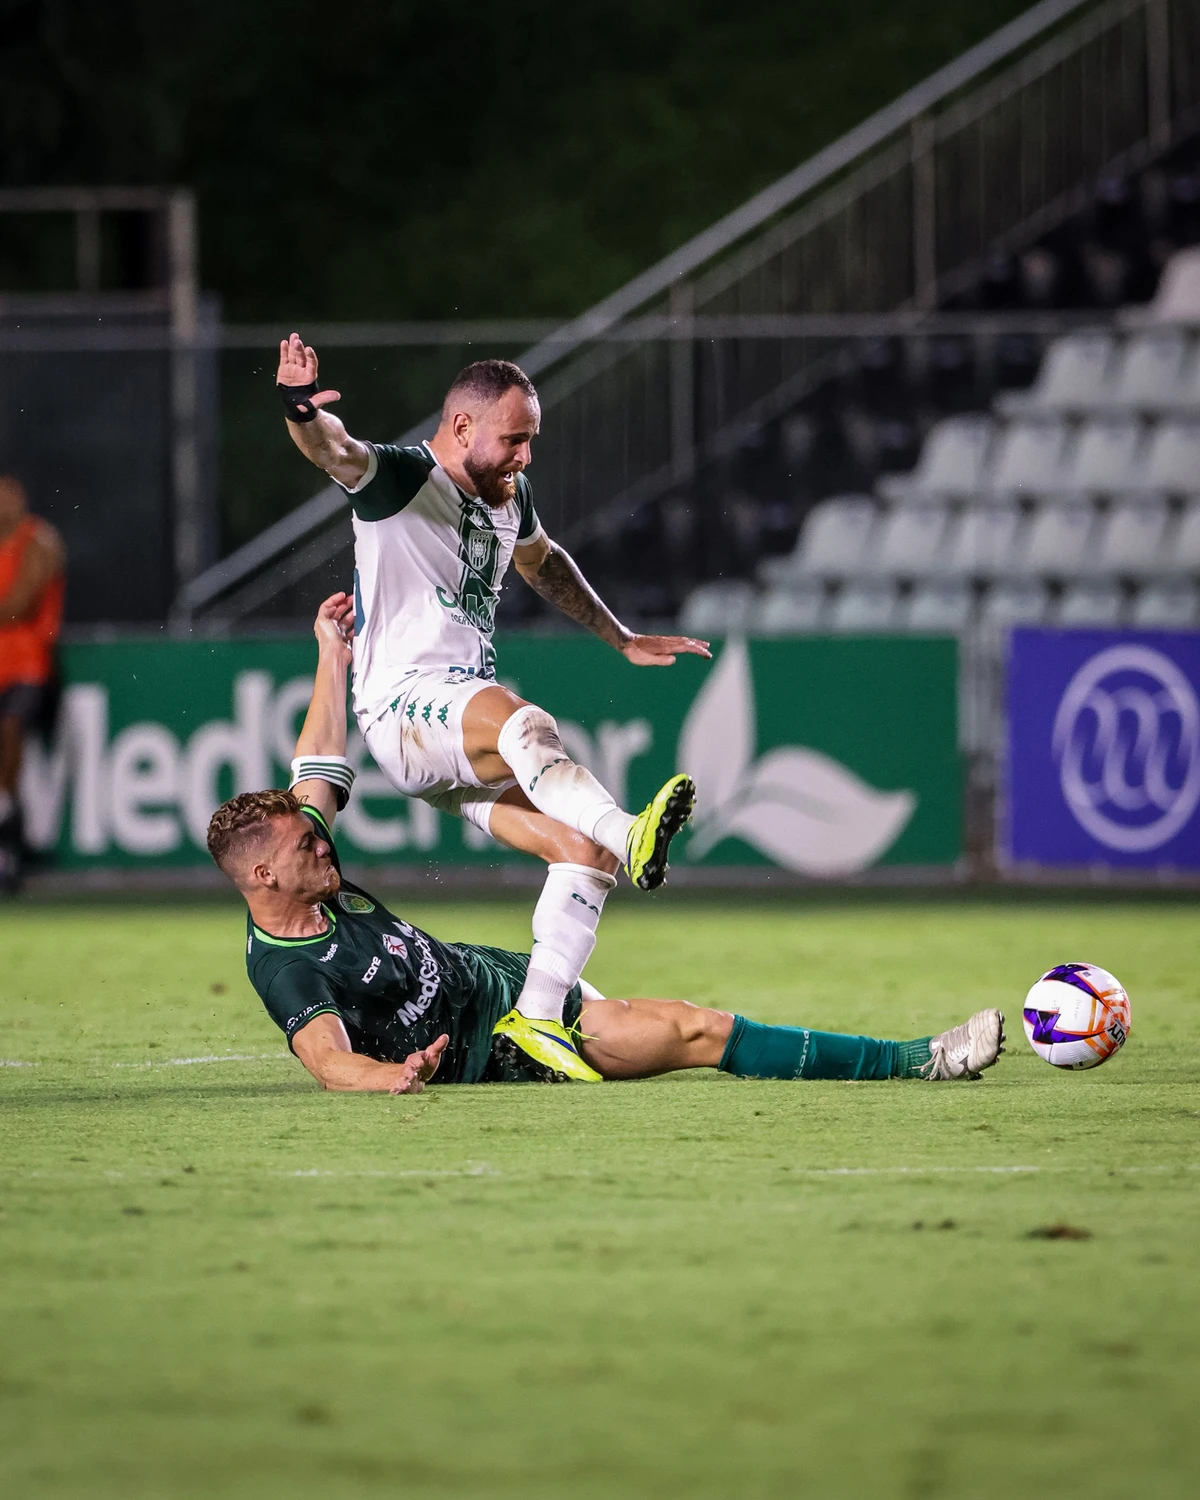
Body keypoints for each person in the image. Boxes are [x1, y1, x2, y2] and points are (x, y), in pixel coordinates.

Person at [206, 594, 1006, 1092]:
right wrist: (394, 1077)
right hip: (492, 1046)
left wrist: (331, 653)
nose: (322, 843)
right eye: (304, 847)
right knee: (702, 1030)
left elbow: (317, 766)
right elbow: (326, 1061)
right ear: (265, 876)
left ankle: (546, 995)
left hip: (499, 975)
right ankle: (917, 1059)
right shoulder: (285, 966)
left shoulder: (303, 863)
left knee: (583, 852)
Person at [275, 334, 712, 1082]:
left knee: (584, 853)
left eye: (532, 440)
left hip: (450, 737)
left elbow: (544, 562)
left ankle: (539, 1015)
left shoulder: (512, 498)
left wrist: (621, 637)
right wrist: (298, 407)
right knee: (522, 721)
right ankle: (631, 829)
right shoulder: (403, 479)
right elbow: (332, 450)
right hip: (406, 710)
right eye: (516, 439)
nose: (526, 456)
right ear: (463, 425)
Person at [0, 475, 64, 894]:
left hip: (28, 667)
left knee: (11, 735)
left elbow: (19, 605)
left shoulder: (38, 540)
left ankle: (11, 832)